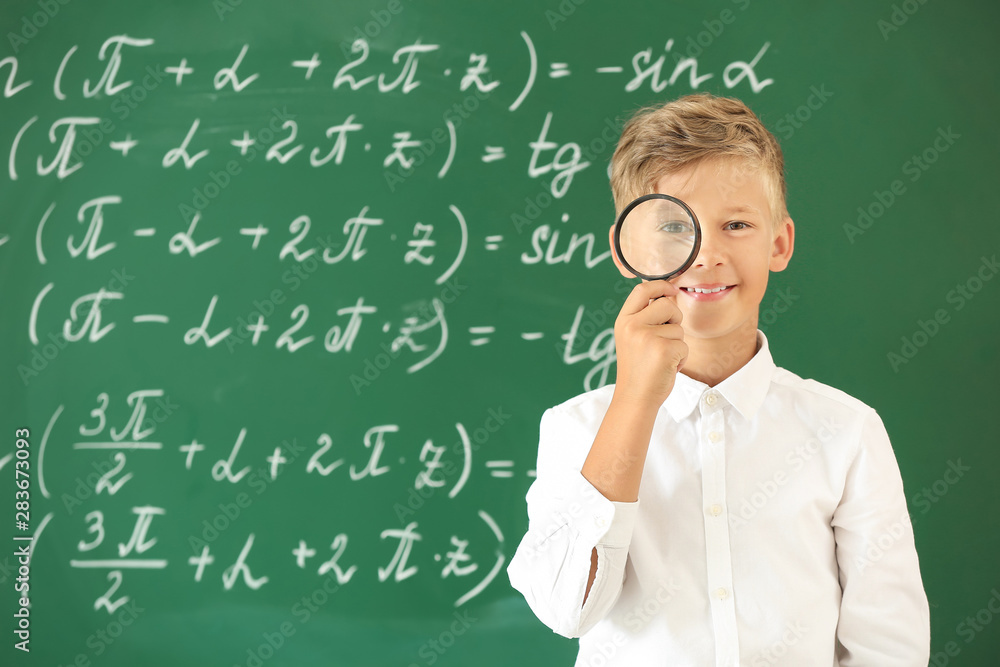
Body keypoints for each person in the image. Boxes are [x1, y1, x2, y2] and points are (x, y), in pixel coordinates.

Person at [506, 93, 930, 666]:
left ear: (779, 242)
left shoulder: (847, 431)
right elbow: (566, 609)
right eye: (676, 227)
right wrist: (634, 398)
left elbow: (889, 646)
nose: (705, 255)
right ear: (629, 250)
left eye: (736, 224)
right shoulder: (573, 429)